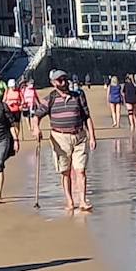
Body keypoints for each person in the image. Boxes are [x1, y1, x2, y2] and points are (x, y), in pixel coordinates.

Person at [35, 69, 97, 211]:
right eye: (59, 80)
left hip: (79, 135)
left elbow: (87, 116)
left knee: (80, 170)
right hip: (59, 138)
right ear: (53, 83)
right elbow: (36, 115)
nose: (63, 82)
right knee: (65, 171)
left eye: (64, 79)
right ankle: (69, 201)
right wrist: (35, 129)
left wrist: (92, 136)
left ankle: (82, 201)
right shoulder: (50, 98)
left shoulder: (78, 95)